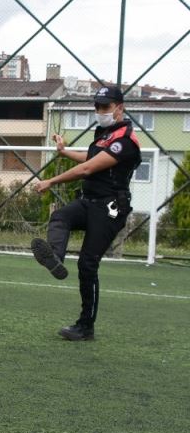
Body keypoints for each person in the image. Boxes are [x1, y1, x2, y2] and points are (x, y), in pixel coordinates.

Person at [32, 85, 141, 341]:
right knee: (60, 216)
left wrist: (50, 181)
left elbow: (88, 169)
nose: (99, 111)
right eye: (97, 106)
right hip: (90, 202)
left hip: (111, 207)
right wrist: (63, 152)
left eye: (105, 106)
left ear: (119, 107)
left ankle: (85, 327)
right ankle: (55, 258)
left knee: (87, 264)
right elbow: (88, 157)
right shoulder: (104, 134)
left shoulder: (124, 141)